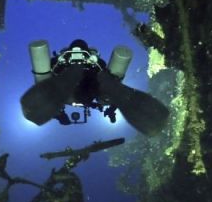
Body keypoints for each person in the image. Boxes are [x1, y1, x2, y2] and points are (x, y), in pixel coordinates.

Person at [20, 39, 170, 136]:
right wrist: (112, 105)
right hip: (90, 89)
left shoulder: (58, 65)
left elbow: (45, 93)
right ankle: (79, 78)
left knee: (100, 88)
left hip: (68, 89)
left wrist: (59, 115)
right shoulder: (96, 65)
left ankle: (76, 76)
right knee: (108, 89)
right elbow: (109, 87)